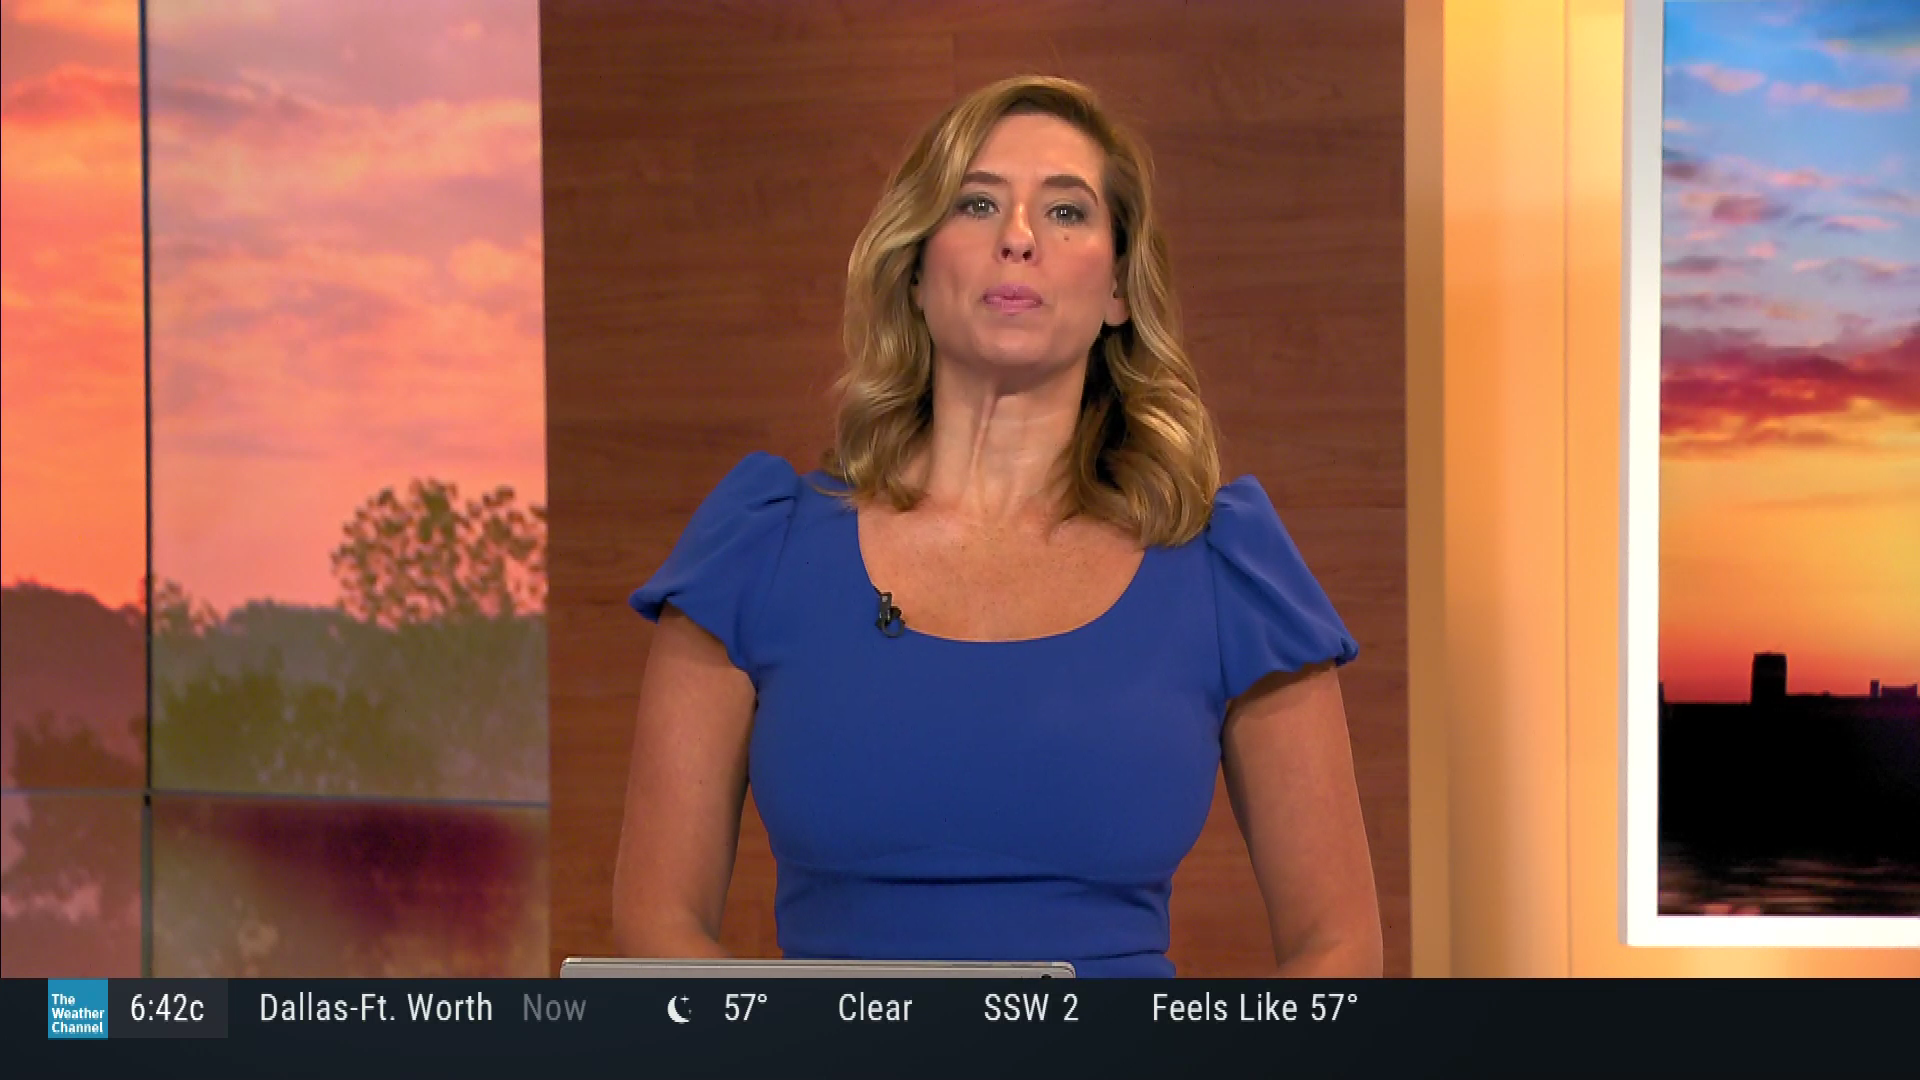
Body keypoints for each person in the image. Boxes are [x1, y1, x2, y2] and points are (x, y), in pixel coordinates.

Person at [613, 74, 1382, 978]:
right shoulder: (758, 551)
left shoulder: (1222, 570)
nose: (1019, 237)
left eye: (1066, 212)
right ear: (914, 269)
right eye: (977, 203)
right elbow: (656, 930)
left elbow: (1339, 949)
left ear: (1119, 289)